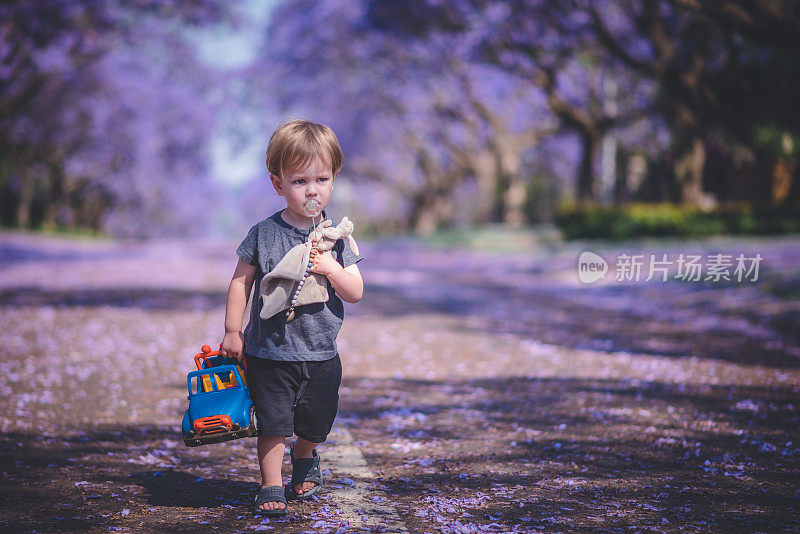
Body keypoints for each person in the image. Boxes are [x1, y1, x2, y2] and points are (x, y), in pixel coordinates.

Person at [220, 119, 364, 516]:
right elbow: (240, 282)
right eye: (300, 181)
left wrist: (332, 269)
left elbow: (355, 291)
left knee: (316, 422)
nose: (312, 190)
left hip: (320, 352)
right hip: (268, 352)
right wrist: (233, 330)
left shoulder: (337, 238)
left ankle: (305, 457)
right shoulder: (263, 234)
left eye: (322, 178)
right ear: (277, 183)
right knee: (272, 423)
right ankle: (270, 484)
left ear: (334, 179)